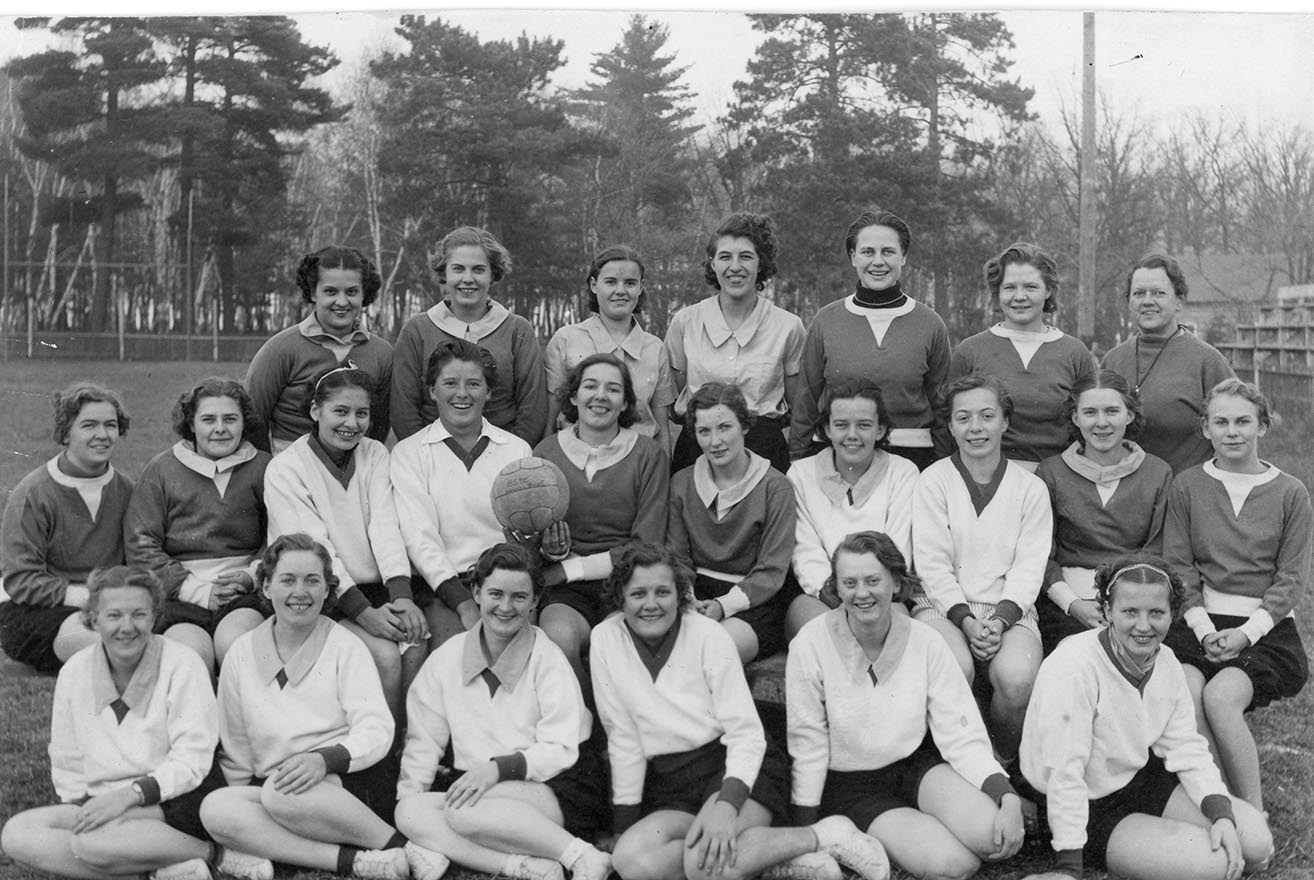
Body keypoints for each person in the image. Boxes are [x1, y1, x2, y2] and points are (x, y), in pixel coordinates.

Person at [592, 543, 893, 880]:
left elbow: (746, 734)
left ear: (680, 595)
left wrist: (726, 806)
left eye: (663, 592)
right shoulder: (604, 640)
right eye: (638, 594)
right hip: (671, 783)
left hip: (734, 767)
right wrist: (623, 827)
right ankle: (768, 857)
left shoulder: (708, 636)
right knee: (632, 861)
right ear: (620, 597)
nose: (651, 604)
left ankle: (825, 835)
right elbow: (623, 739)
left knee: (703, 866)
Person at [787, 531, 1025, 880]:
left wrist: (1007, 796)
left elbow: (962, 733)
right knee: (955, 865)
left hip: (913, 766)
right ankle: (845, 832)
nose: (862, 593)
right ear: (836, 588)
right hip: (850, 785)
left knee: (994, 837)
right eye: (849, 583)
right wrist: (806, 832)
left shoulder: (926, 640)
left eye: (873, 580)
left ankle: (914, 827)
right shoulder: (810, 643)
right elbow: (806, 744)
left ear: (896, 582)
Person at [1020, 556, 1274, 880]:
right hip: (1086, 803)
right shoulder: (1074, 665)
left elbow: (1186, 746)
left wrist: (1221, 814)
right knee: (1215, 865)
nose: (1143, 626)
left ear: (1172, 614)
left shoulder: (1166, 662)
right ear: (1107, 611)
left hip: (1139, 778)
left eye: (1156, 613)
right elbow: (1065, 770)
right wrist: (1069, 866)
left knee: (1256, 841)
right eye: (1130, 612)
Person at [395, 543, 611, 880]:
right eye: (495, 593)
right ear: (477, 592)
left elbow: (562, 749)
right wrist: (413, 808)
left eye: (519, 597)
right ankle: (522, 867)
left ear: (536, 601)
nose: (505, 607)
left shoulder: (547, 659)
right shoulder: (447, 659)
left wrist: (498, 770)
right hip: (480, 789)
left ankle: (581, 856)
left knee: (461, 811)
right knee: (408, 811)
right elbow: (424, 742)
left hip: (555, 787)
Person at [200, 534, 408, 880]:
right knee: (217, 809)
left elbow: (376, 728)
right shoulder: (241, 653)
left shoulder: (345, 646)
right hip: (275, 788)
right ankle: (351, 862)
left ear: (328, 590)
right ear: (265, 587)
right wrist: (241, 806)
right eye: (287, 580)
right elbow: (235, 747)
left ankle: (395, 844)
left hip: (344, 783)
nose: (300, 592)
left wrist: (323, 759)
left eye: (313, 581)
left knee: (282, 795)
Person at [0, 565, 222, 880]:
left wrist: (127, 798)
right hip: (105, 802)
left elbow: (193, 762)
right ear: (93, 619)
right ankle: (157, 871)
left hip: (174, 799)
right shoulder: (76, 669)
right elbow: (67, 754)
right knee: (17, 834)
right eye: (114, 615)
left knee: (91, 844)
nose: (127, 627)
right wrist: (81, 805)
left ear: (156, 617)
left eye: (139, 615)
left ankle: (214, 855)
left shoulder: (182, 663)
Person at [1162, 379, 1311, 811]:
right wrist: (1204, 628)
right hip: (1200, 622)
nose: (1232, 432)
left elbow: (1291, 576)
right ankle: (1222, 804)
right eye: (1221, 422)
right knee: (1186, 691)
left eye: (1243, 421)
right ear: (1205, 429)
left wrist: (1247, 633)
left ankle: (1253, 812)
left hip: (1264, 630)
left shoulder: (1290, 492)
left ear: (1262, 426)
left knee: (1221, 696)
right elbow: (1179, 564)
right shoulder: (1187, 485)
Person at [263, 365, 426, 722]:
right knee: (384, 655)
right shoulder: (286, 468)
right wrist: (365, 615)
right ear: (314, 411)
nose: (352, 423)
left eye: (362, 413)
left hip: (375, 590)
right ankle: (381, 758)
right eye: (340, 411)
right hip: (323, 595)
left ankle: (406, 747)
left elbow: (386, 528)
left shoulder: (375, 455)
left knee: (415, 642)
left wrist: (402, 596)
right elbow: (314, 553)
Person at [912, 373, 1050, 764]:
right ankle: (964, 763)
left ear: (1005, 421)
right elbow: (932, 564)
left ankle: (1003, 762)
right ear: (951, 425)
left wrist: (1001, 620)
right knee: (955, 666)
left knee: (1018, 679)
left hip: (1009, 609)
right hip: (942, 604)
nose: (976, 428)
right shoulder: (933, 481)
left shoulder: (1030, 488)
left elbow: (1029, 567)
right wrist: (966, 620)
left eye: (987, 416)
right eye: (963, 418)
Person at [532, 354, 670, 687]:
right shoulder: (545, 453)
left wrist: (566, 569)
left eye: (613, 389)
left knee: (617, 645)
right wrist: (549, 550)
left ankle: (619, 733)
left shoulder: (648, 454)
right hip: (566, 590)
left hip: (628, 581)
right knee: (557, 639)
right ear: (573, 396)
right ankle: (584, 726)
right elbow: (531, 538)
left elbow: (646, 544)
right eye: (590, 386)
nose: (600, 396)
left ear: (625, 403)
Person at [391, 340, 533, 650]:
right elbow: (420, 539)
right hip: (444, 588)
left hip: (505, 582)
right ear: (432, 391)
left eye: (473, 384)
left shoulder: (516, 450)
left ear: (489, 392)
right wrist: (464, 605)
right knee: (458, 655)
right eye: (450, 383)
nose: (462, 394)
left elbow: (522, 536)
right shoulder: (409, 454)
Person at [125, 378, 271, 666]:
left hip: (244, 593)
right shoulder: (161, 470)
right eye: (208, 419)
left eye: (230, 419)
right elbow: (140, 544)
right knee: (192, 656)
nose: (220, 428)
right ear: (191, 424)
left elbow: (280, 536)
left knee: (236, 646)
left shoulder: (265, 467)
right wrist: (198, 591)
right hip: (179, 595)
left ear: (244, 422)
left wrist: (251, 575)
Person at [789, 210, 951, 469]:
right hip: (840, 455)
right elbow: (806, 402)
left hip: (913, 458)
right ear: (853, 257)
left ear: (904, 257)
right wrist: (797, 463)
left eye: (888, 251)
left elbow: (943, 407)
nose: (878, 261)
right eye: (868, 252)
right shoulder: (826, 320)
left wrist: (946, 470)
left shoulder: (930, 324)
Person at [1033, 371, 1173, 654]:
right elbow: (1040, 553)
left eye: (1112, 411)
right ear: (1075, 418)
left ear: (1130, 415)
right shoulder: (1052, 472)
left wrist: (1124, 608)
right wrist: (1073, 605)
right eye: (1089, 412)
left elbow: (1157, 549)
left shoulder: (1158, 473)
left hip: (1135, 602)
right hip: (1067, 603)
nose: (1101, 423)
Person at [0, 383, 137, 671]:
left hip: (108, 604)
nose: (102, 435)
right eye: (89, 425)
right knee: (111, 647)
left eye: (110, 425)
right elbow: (21, 580)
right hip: (33, 608)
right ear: (66, 432)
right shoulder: (33, 493)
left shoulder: (127, 490)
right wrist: (86, 597)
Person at [664, 212, 805, 473]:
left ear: (761, 264)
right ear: (712, 263)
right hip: (699, 449)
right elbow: (677, 395)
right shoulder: (685, 322)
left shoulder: (788, 326)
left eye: (746, 257)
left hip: (764, 451)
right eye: (725, 257)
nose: (735, 267)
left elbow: (798, 405)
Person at [668, 383, 796, 666]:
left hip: (754, 602)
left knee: (713, 656)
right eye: (704, 431)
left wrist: (723, 606)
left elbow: (772, 570)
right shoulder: (681, 484)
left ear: (744, 426)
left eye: (725, 427)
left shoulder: (776, 487)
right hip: (693, 597)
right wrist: (688, 599)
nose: (715, 441)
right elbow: (677, 557)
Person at [786, 379, 918, 640]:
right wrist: (842, 597)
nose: (852, 435)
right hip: (823, 596)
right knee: (825, 635)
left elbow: (897, 549)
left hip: (882, 595)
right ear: (827, 428)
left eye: (864, 425)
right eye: (841, 425)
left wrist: (867, 595)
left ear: (880, 429)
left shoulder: (903, 473)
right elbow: (806, 551)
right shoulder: (800, 474)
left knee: (893, 634)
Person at [391, 226, 547, 444]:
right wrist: (423, 454)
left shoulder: (518, 330)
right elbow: (403, 407)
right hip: (430, 458)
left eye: (478, 269)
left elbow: (532, 407)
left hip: (503, 457)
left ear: (493, 274)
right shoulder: (417, 330)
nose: (468, 278)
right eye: (458, 269)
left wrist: (510, 457)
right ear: (444, 273)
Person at [948, 242, 1095, 469]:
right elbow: (948, 422)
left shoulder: (1075, 353)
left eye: (1030, 287)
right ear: (997, 293)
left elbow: (1088, 425)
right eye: (1009, 288)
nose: (1019, 296)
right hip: (986, 478)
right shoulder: (970, 351)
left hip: (1058, 480)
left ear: (1048, 290)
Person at [245, 245, 392, 453]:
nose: (342, 302)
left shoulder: (383, 354)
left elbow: (380, 424)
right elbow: (253, 419)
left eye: (351, 292)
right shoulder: (280, 349)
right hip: (291, 473)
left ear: (363, 294)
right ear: (313, 292)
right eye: (331, 291)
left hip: (356, 473)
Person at [1102, 253, 1236, 474]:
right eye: (1138, 293)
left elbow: (1236, 432)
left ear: (1179, 301)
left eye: (1158, 293)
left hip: (1183, 496)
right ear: (1129, 301)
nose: (1147, 301)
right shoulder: (1113, 360)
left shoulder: (1207, 361)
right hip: (1124, 493)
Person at [544, 244, 675, 451]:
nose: (620, 291)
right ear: (594, 285)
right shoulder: (566, 339)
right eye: (611, 282)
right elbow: (550, 418)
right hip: (575, 460)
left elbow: (662, 428)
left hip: (637, 464)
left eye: (630, 283)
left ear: (641, 287)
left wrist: (663, 476)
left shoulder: (655, 348)